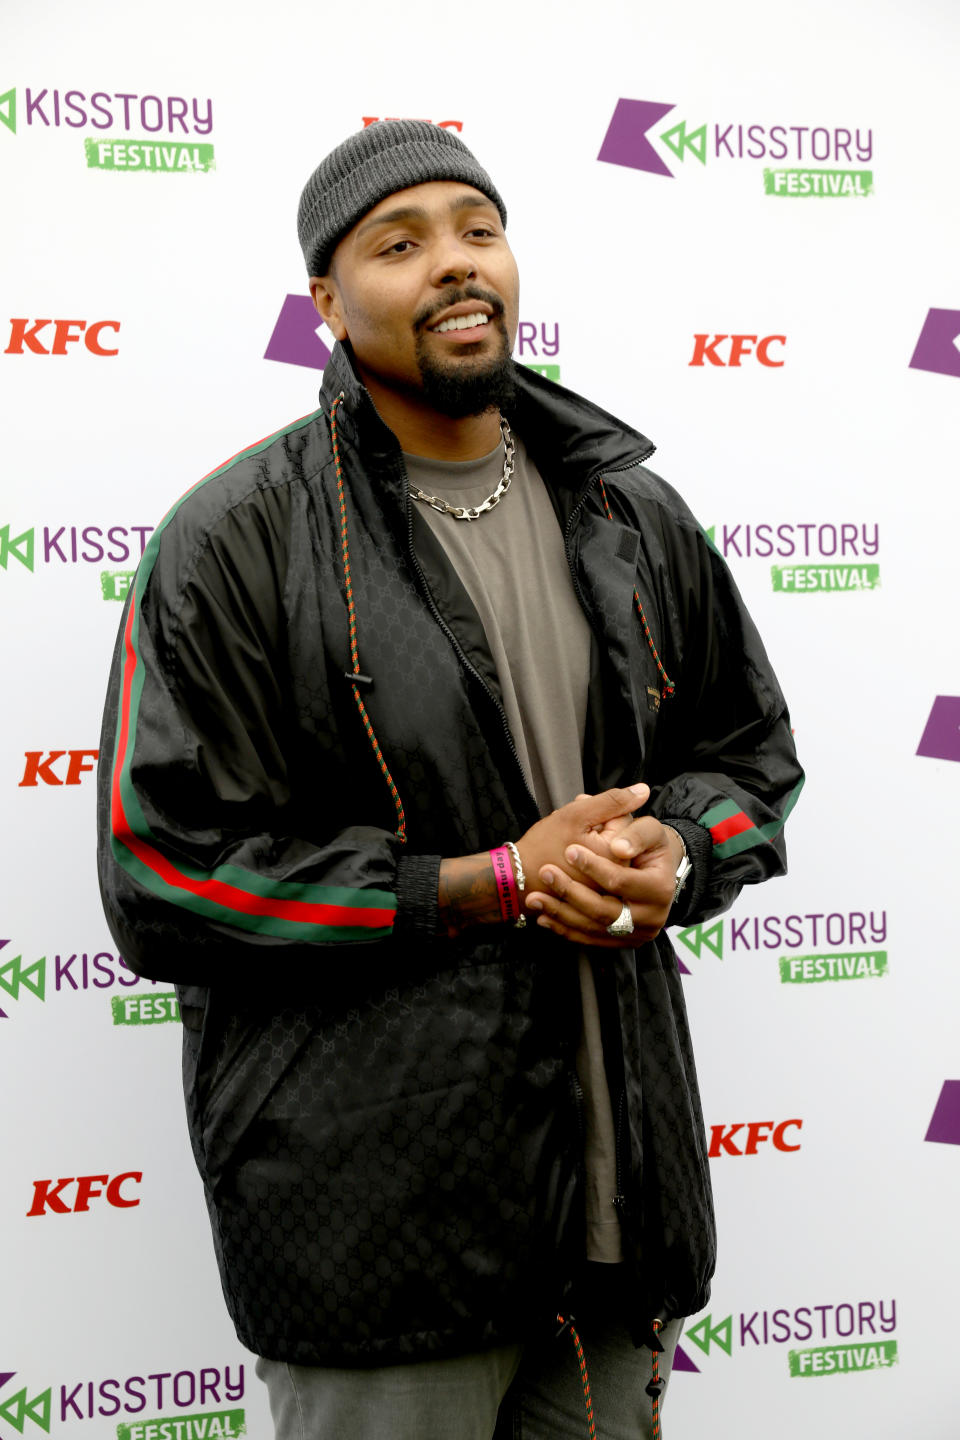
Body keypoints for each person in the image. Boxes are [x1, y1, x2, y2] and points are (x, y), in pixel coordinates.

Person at [97, 120, 803, 1439]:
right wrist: (482, 886)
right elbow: (162, 876)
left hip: (617, 1223)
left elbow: (746, 760)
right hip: (381, 1248)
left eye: (478, 230)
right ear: (325, 298)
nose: (456, 266)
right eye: (400, 242)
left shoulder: (627, 512)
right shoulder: (238, 540)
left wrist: (684, 855)